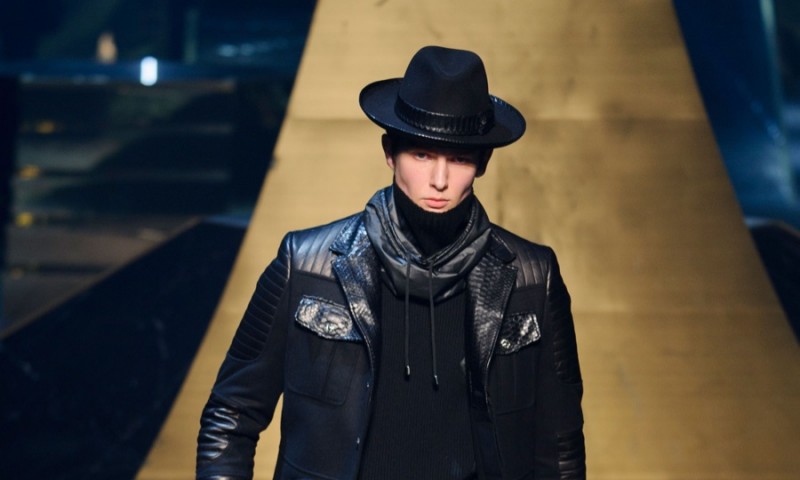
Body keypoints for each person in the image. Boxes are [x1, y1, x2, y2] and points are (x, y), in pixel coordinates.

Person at [196, 45, 585, 480]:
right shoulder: (305, 264)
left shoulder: (532, 278)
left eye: (458, 158)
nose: (439, 180)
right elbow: (231, 413)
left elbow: (559, 444)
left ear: (482, 163)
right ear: (389, 151)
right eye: (422, 154)